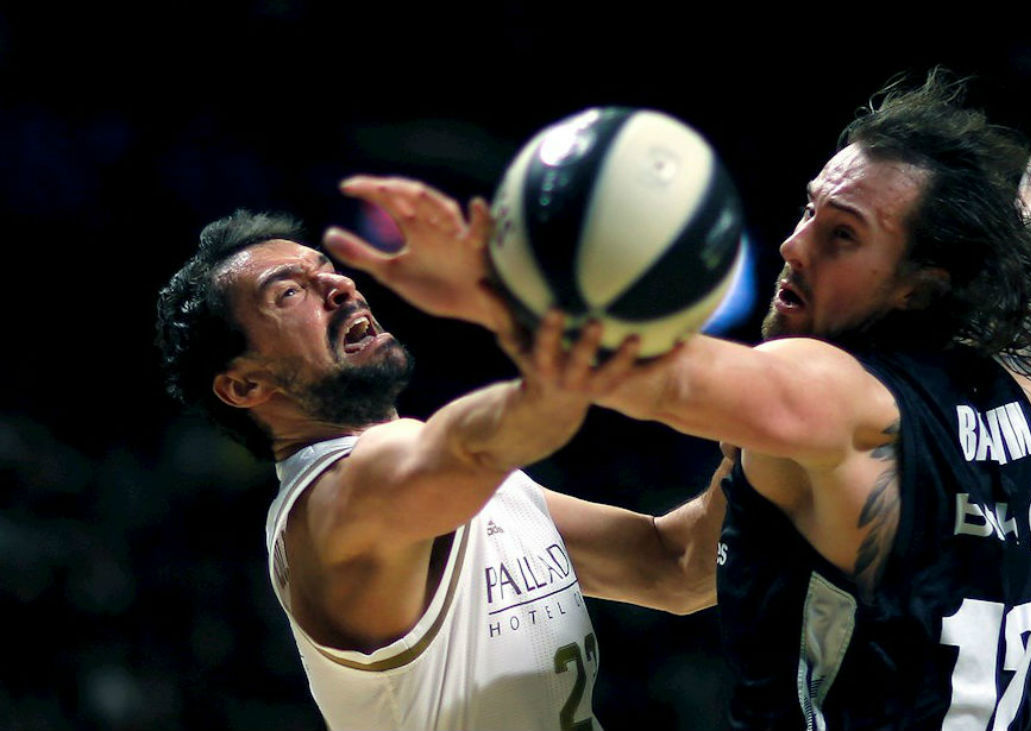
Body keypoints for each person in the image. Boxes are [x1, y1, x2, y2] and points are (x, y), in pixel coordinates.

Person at [325, 1, 1031, 728]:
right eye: (809, 209)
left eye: (842, 235)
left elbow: (660, 377)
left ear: (920, 284)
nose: (794, 245)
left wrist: (495, 284)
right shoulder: (1008, 366)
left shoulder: (837, 398)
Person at [154, 210, 729, 731]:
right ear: (244, 385)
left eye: (326, 270)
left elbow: (678, 569)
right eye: (288, 293)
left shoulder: (465, 476)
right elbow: (503, 431)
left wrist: (759, 426)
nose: (340, 286)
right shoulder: (336, 500)